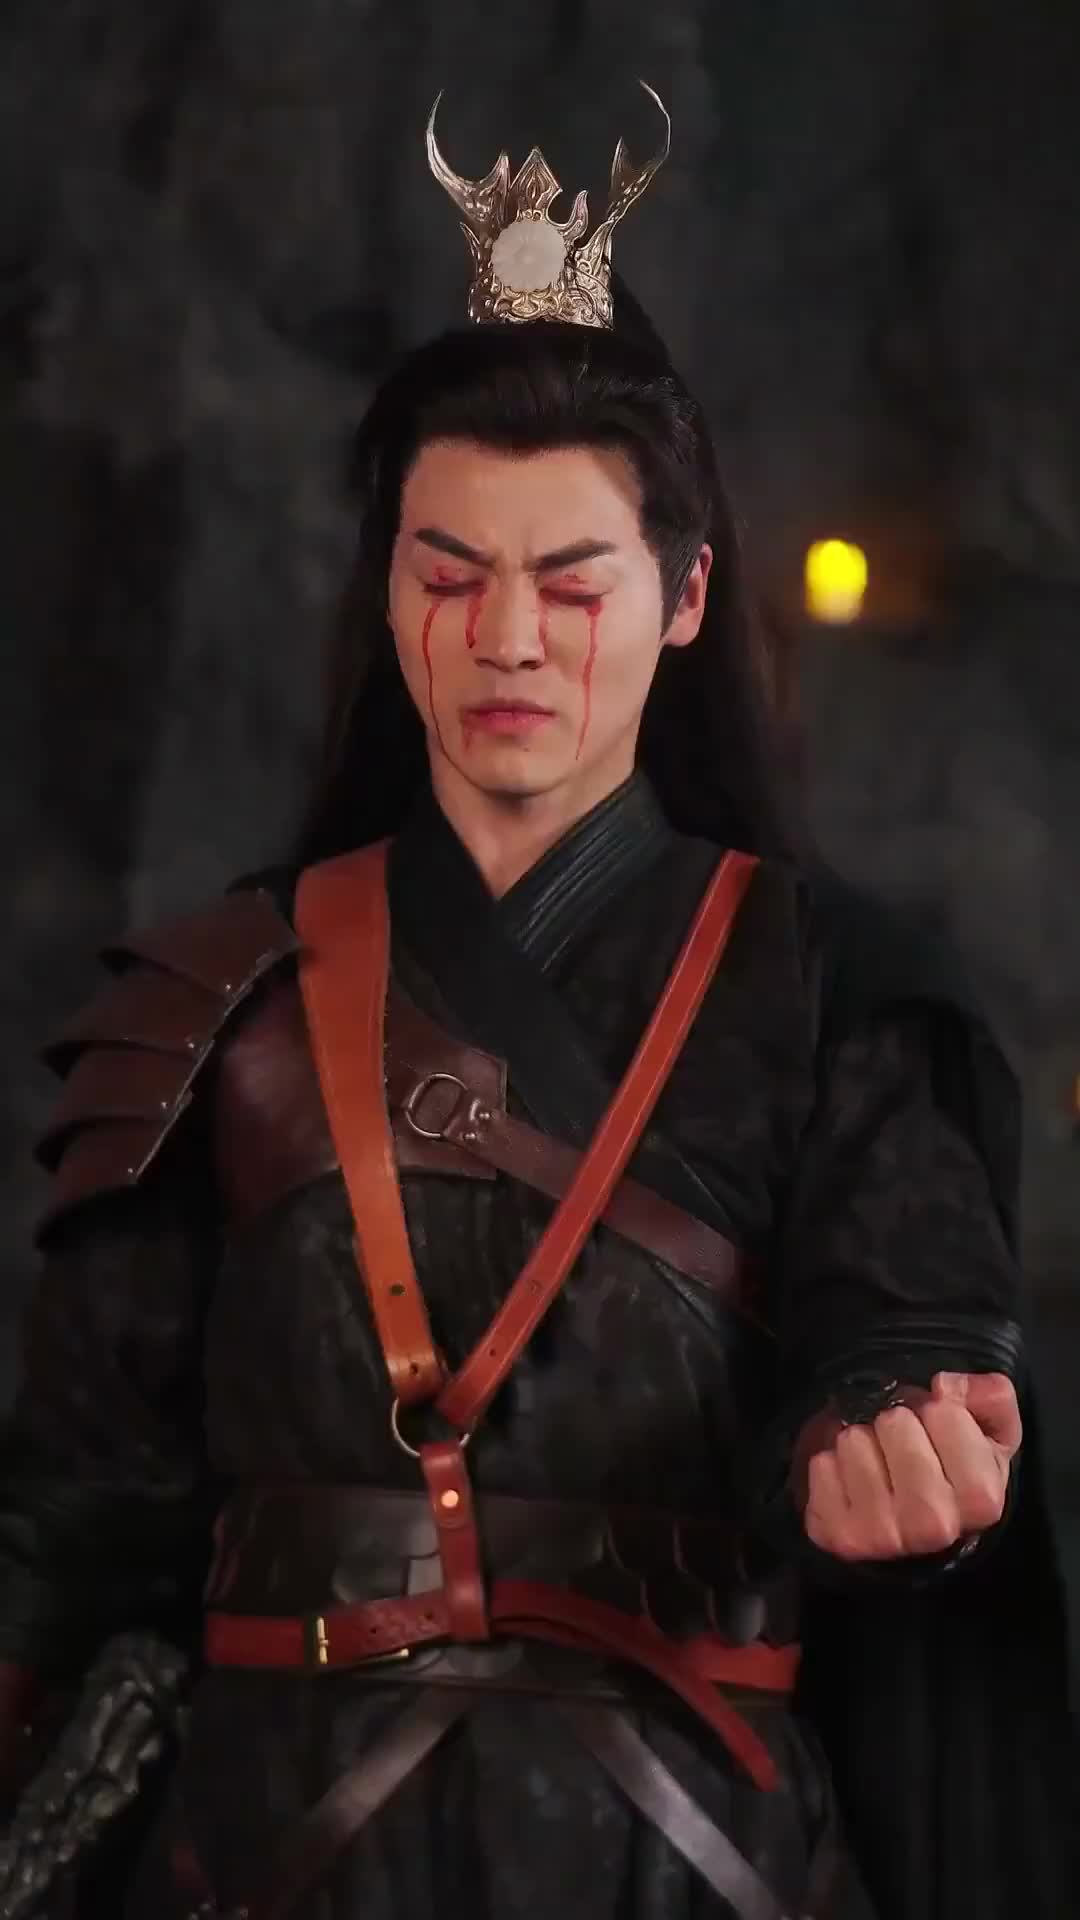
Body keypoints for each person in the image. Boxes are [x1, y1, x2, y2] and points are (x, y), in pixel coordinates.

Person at [0, 87, 1075, 1920]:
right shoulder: (222, 997)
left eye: (572, 584)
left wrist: (895, 1446)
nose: (506, 640)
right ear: (390, 591)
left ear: (684, 596)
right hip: (265, 1868)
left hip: (692, 1872)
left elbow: (902, 1330)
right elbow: (77, 1517)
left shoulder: (842, 995)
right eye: (451, 573)